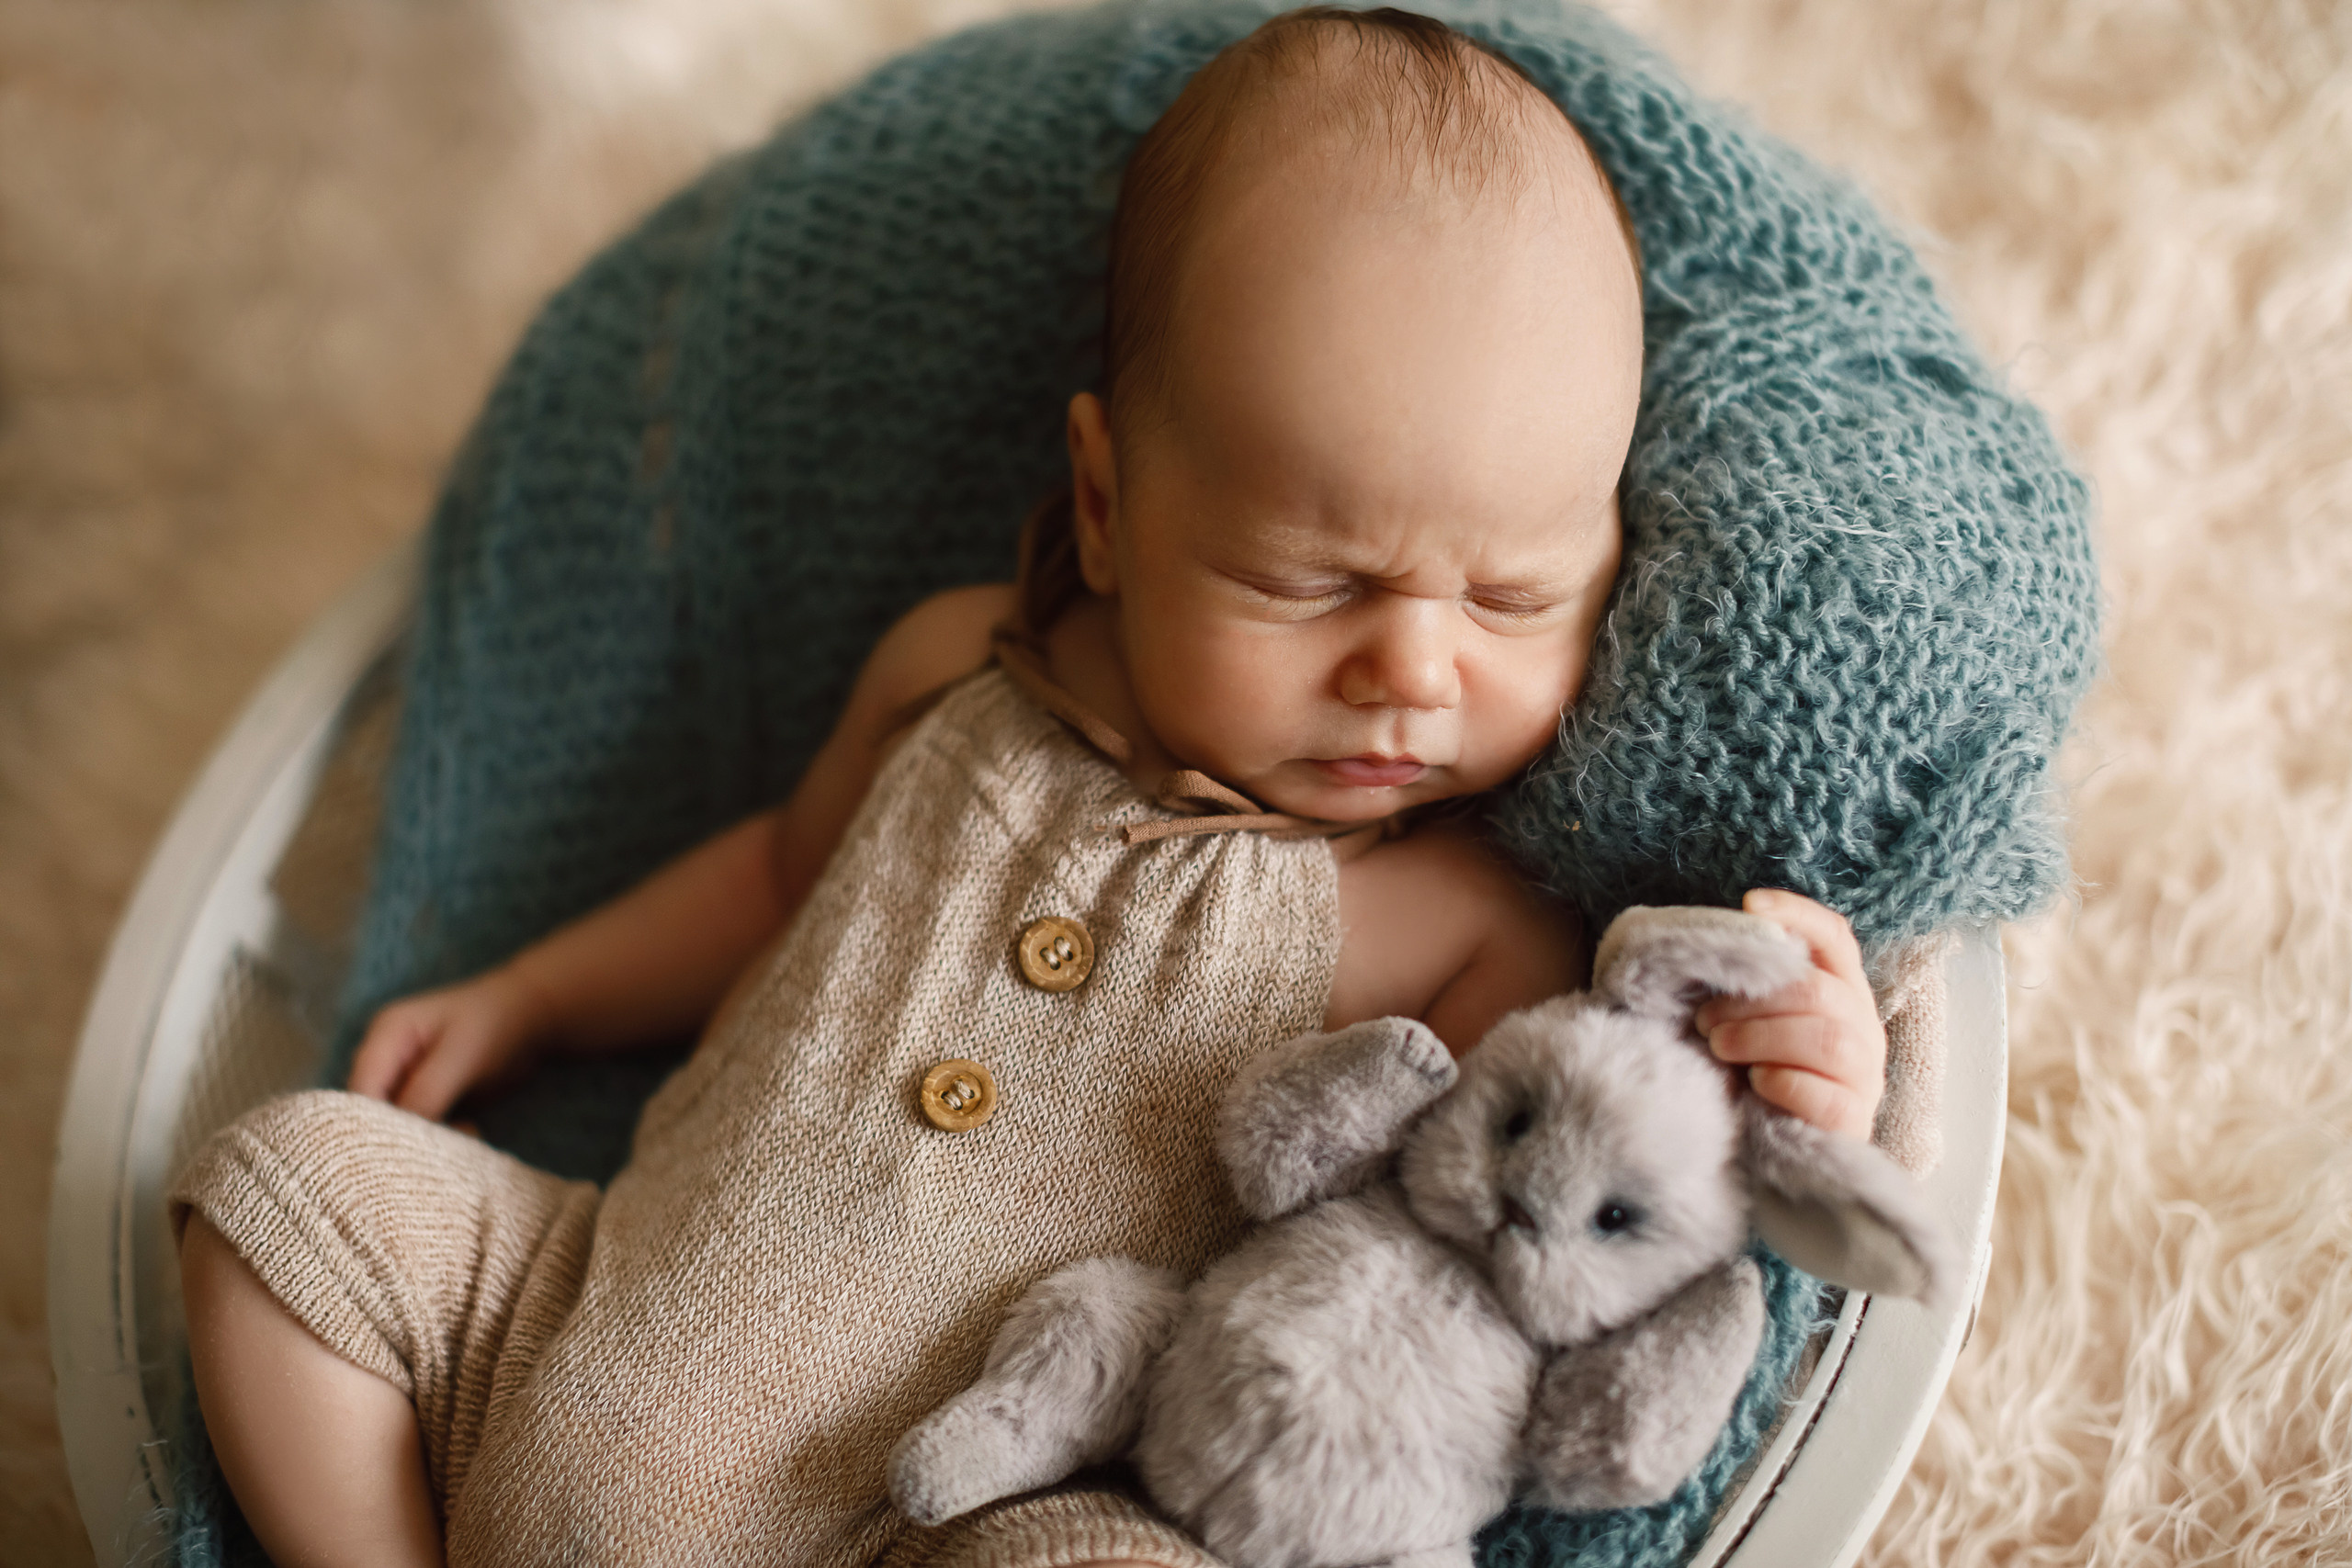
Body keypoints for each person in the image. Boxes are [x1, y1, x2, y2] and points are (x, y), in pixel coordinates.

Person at [175, 10, 1893, 1567]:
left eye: (1515, 598)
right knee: (285, 1195)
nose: (1415, 672)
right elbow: (774, 878)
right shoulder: (957, 668)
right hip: (574, 1310)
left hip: (977, 1500)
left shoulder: (1450, 922)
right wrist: (537, 995)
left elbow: (1585, 1171)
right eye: (1307, 582)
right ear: (1107, 507)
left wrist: (1812, 1070)